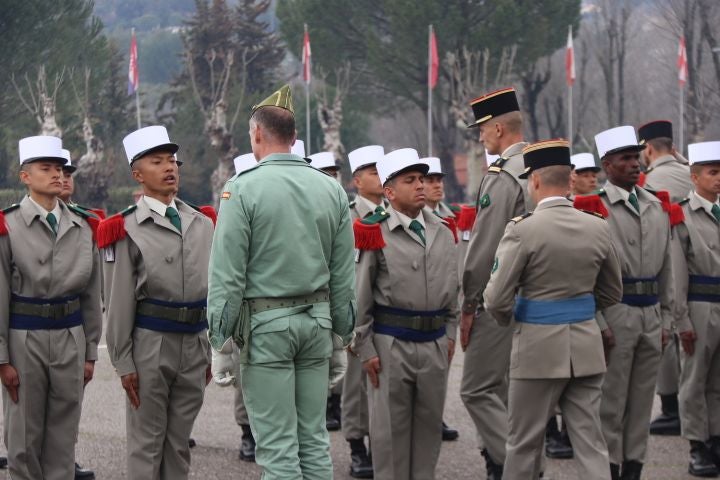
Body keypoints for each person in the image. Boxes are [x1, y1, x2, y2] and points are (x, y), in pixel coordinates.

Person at [206, 84, 355, 479]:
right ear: (294, 138)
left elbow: (227, 275)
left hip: (267, 326)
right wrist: (341, 335)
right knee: (314, 440)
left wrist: (220, 341)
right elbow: (344, 274)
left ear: (257, 134)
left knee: (276, 448)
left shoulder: (241, 189)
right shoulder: (331, 189)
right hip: (319, 322)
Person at [484, 139, 622, 480]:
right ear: (570, 180)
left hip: (536, 348)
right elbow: (612, 291)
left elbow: (496, 298)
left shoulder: (523, 230)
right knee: (591, 443)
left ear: (533, 181)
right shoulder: (597, 226)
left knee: (524, 442)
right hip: (586, 345)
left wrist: (513, 319)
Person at [99, 125, 215, 480]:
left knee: (178, 443)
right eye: (157, 161)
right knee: (147, 444)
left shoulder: (202, 222)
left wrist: (210, 348)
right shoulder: (126, 228)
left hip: (193, 343)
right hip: (150, 345)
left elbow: (213, 291)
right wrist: (122, 361)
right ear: (137, 174)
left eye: (172, 161)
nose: (169, 168)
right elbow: (117, 301)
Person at [577, 125, 676, 480]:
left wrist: (667, 319)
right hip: (616, 311)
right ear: (607, 164)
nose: (635, 164)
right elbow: (587, 274)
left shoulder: (656, 204)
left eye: (637, 157)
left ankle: (634, 465)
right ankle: (610, 468)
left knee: (641, 401)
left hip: (651, 311)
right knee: (611, 400)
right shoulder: (593, 209)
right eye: (625, 159)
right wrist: (600, 322)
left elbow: (668, 269)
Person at [0, 135, 102, 480]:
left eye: (60, 168)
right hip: (22, 337)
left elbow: (91, 295)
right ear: (25, 176)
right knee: (23, 439)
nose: (58, 175)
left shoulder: (84, 226)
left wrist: (90, 352)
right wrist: (2, 358)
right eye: (46, 168)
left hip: (69, 336)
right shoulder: (7, 226)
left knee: (63, 436)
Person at [354, 147, 458, 480]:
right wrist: (366, 348)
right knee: (390, 433)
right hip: (391, 344)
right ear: (389, 191)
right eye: (410, 180)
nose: (421, 186)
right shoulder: (373, 230)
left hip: (434, 343)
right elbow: (360, 297)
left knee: (429, 431)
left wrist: (451, 335)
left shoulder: (442, 229)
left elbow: (453, 288)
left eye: (423, 180)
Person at [460, 87, 530, 479]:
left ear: (500, 128)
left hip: (501, 298)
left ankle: (519, 467)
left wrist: (469, 304)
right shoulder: (542, 167)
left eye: (483, 129)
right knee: (507, 390)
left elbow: (486, 249)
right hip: (541, 299)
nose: (481, 136)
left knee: (477, 388)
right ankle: (503, 465)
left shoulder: (503, 176)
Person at [638, 119, 691, 437]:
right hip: (705, 267)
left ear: (647, 149)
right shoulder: (692, 173)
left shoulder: (650, 183)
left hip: (670, 265)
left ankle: (672, 408)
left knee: (668, 335)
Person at [674, 141, 720, 477]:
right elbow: (677, 274)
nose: (719, 179)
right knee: (694, 379)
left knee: (718, 379)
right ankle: (696, 445)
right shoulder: (682, 214)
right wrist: (681, 319)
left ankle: (716, 439)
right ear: (694, 177)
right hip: (699, 304)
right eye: (713, 172)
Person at [342, 144, 387, 478]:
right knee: (356, 383)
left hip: (385, 313)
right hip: (353, 309)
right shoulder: (347, 216)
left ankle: (382, 445)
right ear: (357, 181)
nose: (380, 177)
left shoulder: (393, 212)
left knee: (382, 383)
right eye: (373, 172)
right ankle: (357, 446)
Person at [421, 155, 460, 441]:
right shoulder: (418, 216)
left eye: (439, 180)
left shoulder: (451, 216)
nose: (436, 185)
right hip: (423, 301)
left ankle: (436, 416)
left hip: (449, 299)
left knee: (441, 367)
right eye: (430, 180)